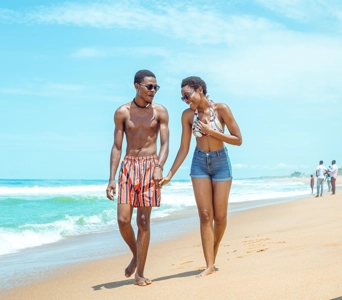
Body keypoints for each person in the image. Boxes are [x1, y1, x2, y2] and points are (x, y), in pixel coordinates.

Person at [160, 76, 242, 277]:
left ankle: (212, 252)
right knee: (205, 216)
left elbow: (238, 139)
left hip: (221, 162)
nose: (187, 100)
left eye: (187, 95)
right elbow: (184, 148)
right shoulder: (188, 116)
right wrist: (170, 173)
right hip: (199, 164)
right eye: (183, 98)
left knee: (220, 218)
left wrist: (211, 132)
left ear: (200, 90)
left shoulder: (222, 109)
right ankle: (209, 265)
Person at [106, 70, 169, 286]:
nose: (153, 91)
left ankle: (140, 273)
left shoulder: (160, 112)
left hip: (151, 167)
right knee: (123, 220)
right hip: (129, 166)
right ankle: (136, 254)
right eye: (149, 86)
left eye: (156, 87)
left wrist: (159, 166)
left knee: (143, 221)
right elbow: (116, 146)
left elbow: (165, 144)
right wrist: (112, 178)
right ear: (137, 86)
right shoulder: (122, 112)